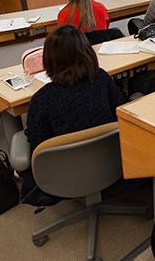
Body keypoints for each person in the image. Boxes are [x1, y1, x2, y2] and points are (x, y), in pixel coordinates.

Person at [20, 24, 127, 205]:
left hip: (64, 178)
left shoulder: (41, 99)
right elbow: (122, 112)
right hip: (111, 166)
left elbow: (38, 143)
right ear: (87, 52)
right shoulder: (101, 78)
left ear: (49, 60)